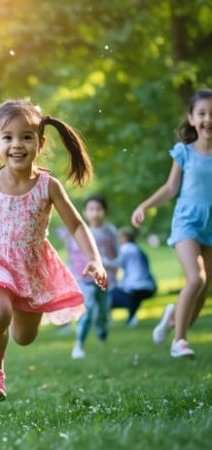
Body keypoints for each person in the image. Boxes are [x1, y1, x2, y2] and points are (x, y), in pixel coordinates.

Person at [0, 98, 107, 402]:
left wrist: (95, 259)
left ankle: (17, 309)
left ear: (40, 143)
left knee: (24, 337)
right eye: (8, 137)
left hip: (31, 268)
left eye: (26, 137)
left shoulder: (48, 186)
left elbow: (77, 225)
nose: (17, 144)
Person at [132, 88, 212, 358]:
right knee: (196, 277)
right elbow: (169, 188)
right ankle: (179, 341)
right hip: (187, 221)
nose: (208, 120)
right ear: (191, 118)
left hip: (210, 226)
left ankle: (171, 318)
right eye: (202, 114)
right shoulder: (184, 152)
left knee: (201, 291)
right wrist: (144, 205)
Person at [70, 195, 118, 359]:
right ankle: (79, 345)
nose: (95, 213)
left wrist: (111, 268)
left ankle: (102, 331)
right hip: (85, 279)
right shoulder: (80, 231)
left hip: (104, 281)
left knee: (103, 313)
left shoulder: (110, 232)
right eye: (91, 209)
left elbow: (116, 256)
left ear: (104, 211)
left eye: (98, 209)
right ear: (85, 212)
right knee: (88, 309)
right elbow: (74, 256)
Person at [110, 227, 156, 327]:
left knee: (111, 296)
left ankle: (105, 320)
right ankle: (131, 318)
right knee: (134, 298)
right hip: (149, 285)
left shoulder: (126, 248)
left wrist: (100, 262)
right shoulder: (138, 248)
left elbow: (116, 264)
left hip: (136, 285)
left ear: (124, 238)